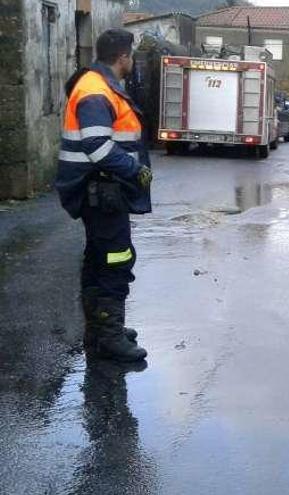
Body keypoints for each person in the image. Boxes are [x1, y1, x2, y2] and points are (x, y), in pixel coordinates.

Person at [55, 28, 151, 362]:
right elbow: (97, 145)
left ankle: (101, 328)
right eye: (132, 55)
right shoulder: (96, 91)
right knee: (116, 259)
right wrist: (133, 169)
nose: (132, 61)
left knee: (100, 258)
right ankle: (108, 335)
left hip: (100, 189)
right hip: (101, 188)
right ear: (123, 56)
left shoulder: (98, 84)